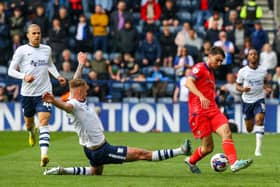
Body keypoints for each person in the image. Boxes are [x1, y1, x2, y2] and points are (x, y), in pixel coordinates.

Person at [42, 52, 192, 175]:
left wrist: (81, 64)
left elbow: (75, 81)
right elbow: (66, 107)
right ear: (80, 92)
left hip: (90, 150)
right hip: (101, 150)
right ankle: (181, 151)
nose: (88, 90)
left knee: (95, 172)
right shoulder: (74, 104)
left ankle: (63, 171)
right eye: (86, 89)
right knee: (142, 154)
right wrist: (53, 101)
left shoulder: (75, 97)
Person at [185, 46, 253, 174]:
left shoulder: (211, 73)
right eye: (218, 60)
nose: (219, 63)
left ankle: (234, 163)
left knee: (227, 131)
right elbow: (188, 83)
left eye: (221, 61)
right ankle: (191, 161)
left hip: (212, 110)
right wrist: (200, 96)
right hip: (199, 112)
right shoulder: (200, 68)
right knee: (208, 148)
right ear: (210, 56)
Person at [8, 24, 66, 167]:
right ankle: (31, 133)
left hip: (45, 92)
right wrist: (23, 76)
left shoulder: (47, 49)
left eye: (38, 33)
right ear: (27, 35)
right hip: (27, 94)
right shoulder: (22, 50)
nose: (36, 35)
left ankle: (44, 155)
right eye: (33, 33)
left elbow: (50, 65)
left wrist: (58, 76)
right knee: (29, 123)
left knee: (44, 122)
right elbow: (10, 70)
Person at [236, 48, 271, 157]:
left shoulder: (263, 70)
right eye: (251, 54)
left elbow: (264, 82)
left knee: (259, 120)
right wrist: (243, 89)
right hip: (247, 101)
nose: (253, 56)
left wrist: (267, 88)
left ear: (258, 56)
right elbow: (237, 86)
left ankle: (258, 150)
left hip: (259, 99)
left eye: (255, 54)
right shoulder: (243, 71)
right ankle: (253, 130)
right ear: (248, 57)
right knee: (249, 128)